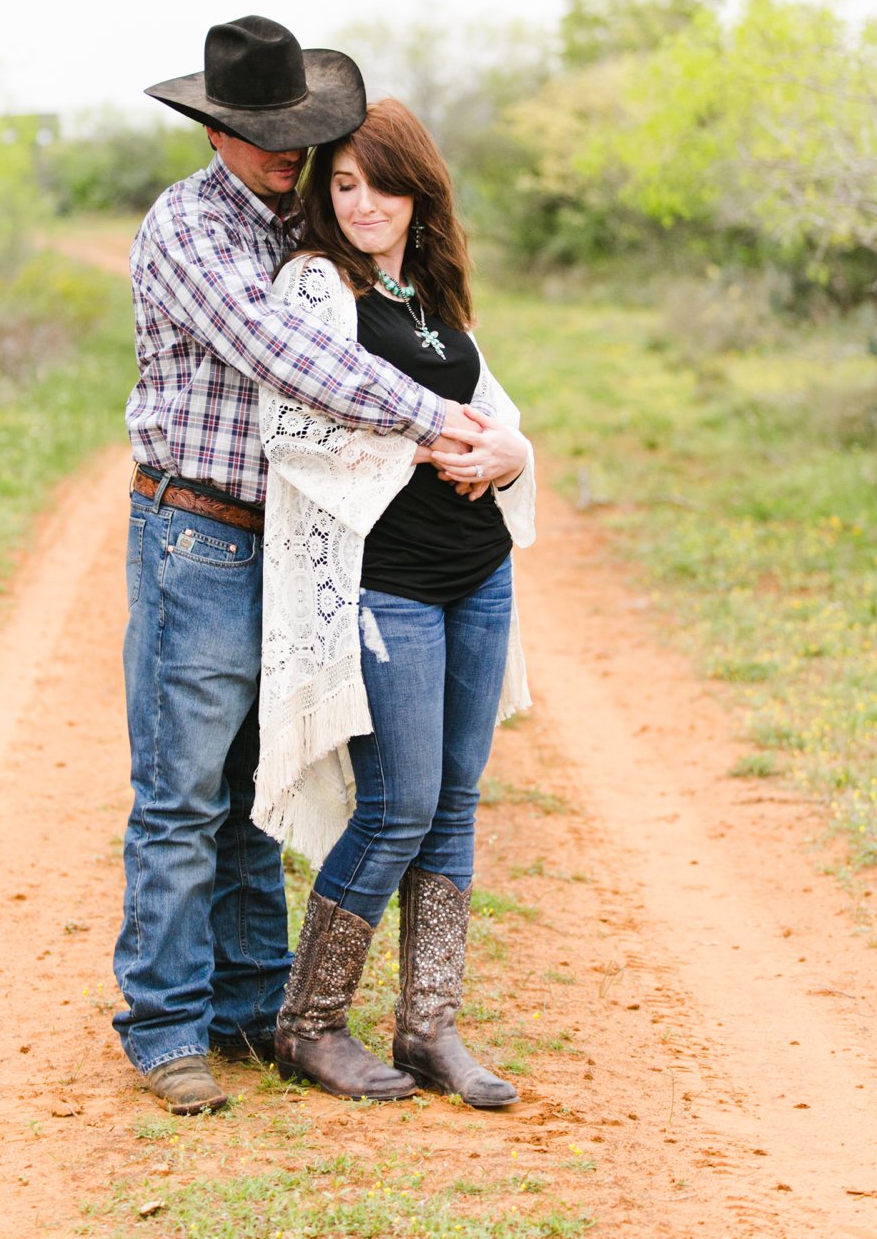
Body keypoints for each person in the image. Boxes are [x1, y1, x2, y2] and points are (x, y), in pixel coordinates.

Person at [114, 18, 513, 1115]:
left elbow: (399, 319)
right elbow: (286, 354)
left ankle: (250, 1004)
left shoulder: (307, 217)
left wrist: (497, 438)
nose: (290, 155)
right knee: (183, 790)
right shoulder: (189, 227)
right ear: (217, 131)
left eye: (299, 134)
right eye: (264, 135)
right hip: (196, 532)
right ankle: (163, 1024)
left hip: (298, 543)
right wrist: (439, 420)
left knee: (260, 779)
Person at [253, 97, 536, 1109]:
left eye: (378, 181)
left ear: (418, 188)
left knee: (453, 804)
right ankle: (308, 1023)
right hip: (388, 587)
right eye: (340, 184)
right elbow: (287, 426)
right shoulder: (316, 288)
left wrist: (513, 453)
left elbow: (492, 413)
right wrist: (411, 442)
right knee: (398, 804)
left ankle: (427, 1027)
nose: (361, 201)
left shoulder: (431, 286)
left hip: (478, 573)